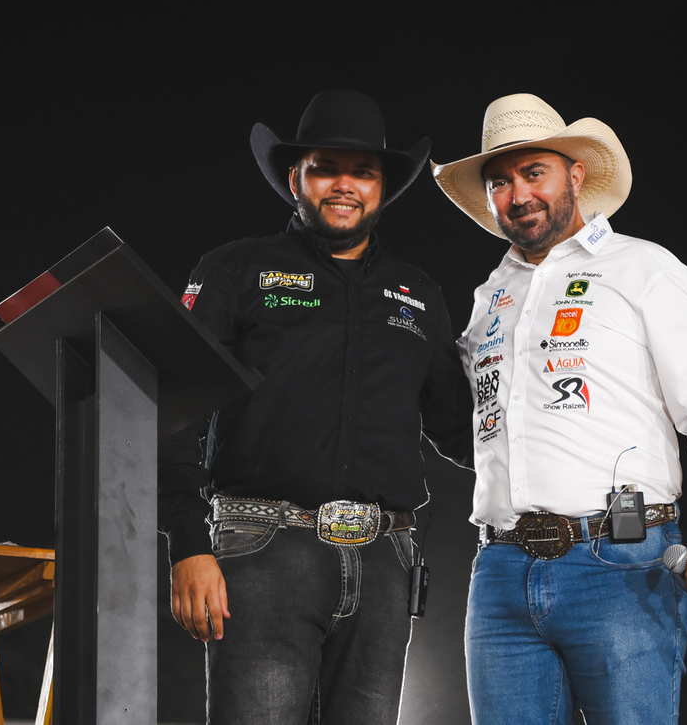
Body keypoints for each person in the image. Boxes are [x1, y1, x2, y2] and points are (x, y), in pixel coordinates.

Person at [431, 93, 687, 725]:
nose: (519, 195)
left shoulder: (645, 267)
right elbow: (470, 424)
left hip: (620, 561)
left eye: (534, 173)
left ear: (576, 175)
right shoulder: (490, 296)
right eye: (500, 182)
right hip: (499, 568)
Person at [158, 89, 473, 724]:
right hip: (264, 550)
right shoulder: (235, 270)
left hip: (386, 560)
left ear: (383, 188)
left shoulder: (419, 293)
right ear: (295, 178)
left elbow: (463, 430)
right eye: (326, 168)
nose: (344, 185)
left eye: (363, 172)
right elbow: (170, 414)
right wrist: (188, 545)